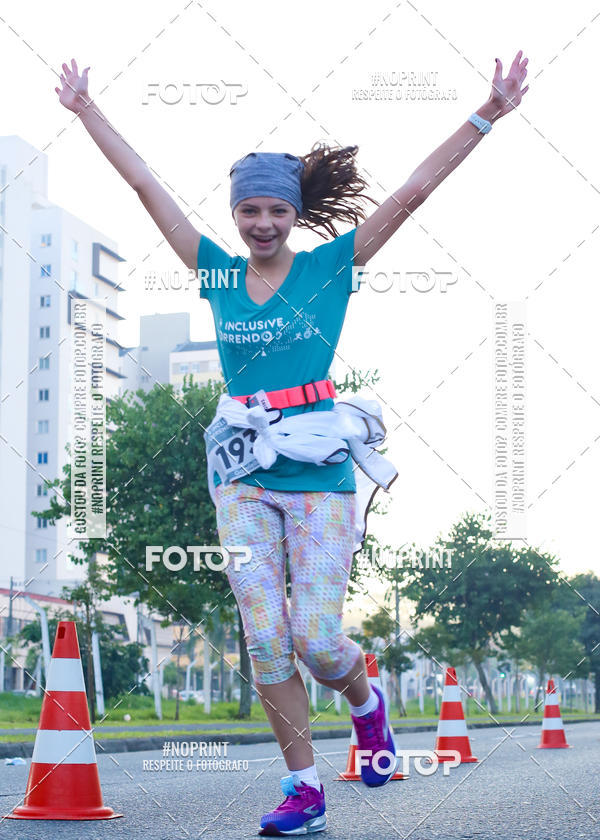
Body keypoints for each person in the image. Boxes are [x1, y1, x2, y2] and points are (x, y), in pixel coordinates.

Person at [56, 51, 529, 836]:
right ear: (236, 216)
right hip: (240, 469)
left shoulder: (328, 270)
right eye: (250, 212)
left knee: (316, 637)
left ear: (293, 212)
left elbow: (410, 195)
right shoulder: (213, 272)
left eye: (276, 211)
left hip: (317, 467)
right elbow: (145, 186)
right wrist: (86, 109)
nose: (264, 224)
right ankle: (304, 787)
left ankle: (366, 701)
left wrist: (487, 111)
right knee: (264, 635)